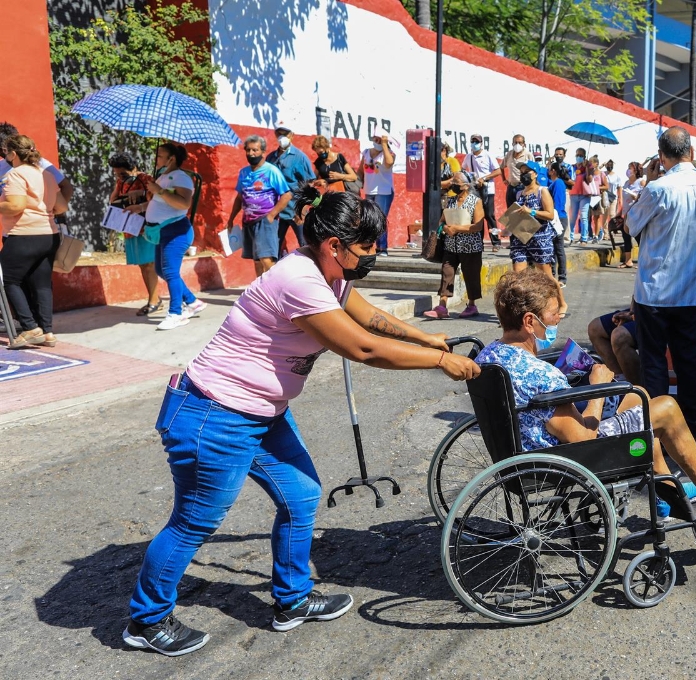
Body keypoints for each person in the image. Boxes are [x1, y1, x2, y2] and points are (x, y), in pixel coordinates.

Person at [122, 191, 479, 658]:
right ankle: (146, 620)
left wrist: (423, 335)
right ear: (334, 244)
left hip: (261, 413)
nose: (372, 254)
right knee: (194, 522)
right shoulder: (299, 280)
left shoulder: (327, 274)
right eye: (366, 246)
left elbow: (370, 317)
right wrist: (437, 361)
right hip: (215, 412)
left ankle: (291, 601)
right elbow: (363, 347)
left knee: (302, 494)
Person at [475, 268, 696, 525]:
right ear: (529, 321)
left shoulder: (490, 355)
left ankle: (663, 490)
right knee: (664, 407)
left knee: (637, 395)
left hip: (523, 446)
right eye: (553, 316)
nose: (557, 323)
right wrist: (598, 385)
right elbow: (584, 439)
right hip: (559, 458)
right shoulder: (542, 375)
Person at [625, 127, 696, 445]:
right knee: (687, 360)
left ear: (661, 156)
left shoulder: (659, 188)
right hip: (690, 290)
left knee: (654, 363)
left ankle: (659, 430)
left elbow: (631, 224)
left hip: (656, 291)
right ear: (690, 151)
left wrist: (648, 182)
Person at [0, 135, 62, 349]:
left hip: (24, 234)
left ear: (14, 154)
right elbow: (62, 206)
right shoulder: (45, 174)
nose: (5, 156)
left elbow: (16, 205)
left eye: (6, 152)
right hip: (49, 235)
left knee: (7, 279)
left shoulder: (15, 174)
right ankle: (47, 332)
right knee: (42, 284)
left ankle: (29, 328)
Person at [143, 143, 207, 331]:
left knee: (170, 271)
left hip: (176, 232)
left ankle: (175, 313)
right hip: (162, 232)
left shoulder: (181, 178)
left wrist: (159, 191)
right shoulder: (163, 176)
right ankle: (192, 302)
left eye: (161, 156)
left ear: (171, 158)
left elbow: (183, 203)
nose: (157, 159)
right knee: (161, 270)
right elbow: (160, 203)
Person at [228, 135, 292, 277]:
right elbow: (240, 197)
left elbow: (287, 195)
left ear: (263, 152)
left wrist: (271, 215)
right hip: (248, 222)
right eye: (248, 150)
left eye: (255, 150)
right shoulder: (244, 172)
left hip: (265, 221)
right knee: (256, 261)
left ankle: (274, 293)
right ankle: (261, 294)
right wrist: (231, 218)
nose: (251, 153)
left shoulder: (272, 171)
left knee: (267, 260)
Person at [425, 172, 484, 320]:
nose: (453, 184)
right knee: (446, 273)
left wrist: (457, 228)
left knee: (471, 275)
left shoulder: (475, 201)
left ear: (465, 186)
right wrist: (445, 228)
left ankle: (472, 305)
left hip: (470, 246)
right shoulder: (450, 201)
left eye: (456, 182)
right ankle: (442, 306)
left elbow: (478, 226)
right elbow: (442, 221)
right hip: (451, 245)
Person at [511, 163, 569, 315]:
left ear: (535, 174)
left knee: (547, 277)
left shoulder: (542, 191)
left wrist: (531, 211)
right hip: (521, 237)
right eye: (521, 171)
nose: (523, 174)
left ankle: (562, 303)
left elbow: (550, 214)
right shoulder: (519, 194)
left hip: (540, 238)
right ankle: (522, 311)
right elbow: (518, 216)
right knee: (518, 276)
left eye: (526, 172)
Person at [108, 152, 158, 316]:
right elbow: (113, 200)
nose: (119, 176)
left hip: (144, 226)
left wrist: (141, 194)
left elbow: (157, 198)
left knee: (149, 264)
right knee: (143, 264)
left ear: (133, 168)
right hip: (130, 226)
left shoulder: (146, 179)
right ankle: (154, 298)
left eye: (122, 173)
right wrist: (119, 187)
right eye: (116, 173)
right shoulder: (121, 182)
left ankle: (154, 300)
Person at [266, 124, 315, 258]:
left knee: (304, 244)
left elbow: (309, 184)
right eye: (279, 133)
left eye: (286, 133)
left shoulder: (299, 157)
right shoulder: (270, 158)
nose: (282, 137)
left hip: (295, 210)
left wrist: (303, 209)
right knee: (273, 245)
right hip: (277, 212)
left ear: (292, 135)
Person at [0, 122, 74, 209]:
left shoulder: (40, 164)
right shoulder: (2, 167)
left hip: (41, 220)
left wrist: (56, 214)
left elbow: (66, 187)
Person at [461, 134, 501, 252]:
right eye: (473, 141)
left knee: (489, 215)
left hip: (488, 189)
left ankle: (495, 242)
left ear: (481, 143)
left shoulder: (488, 155)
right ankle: (479, 242)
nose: (474, 143)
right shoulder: (469, 157)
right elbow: (463, 170)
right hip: (474, 190)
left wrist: (485, 178)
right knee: (476, 216)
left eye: (477, 141)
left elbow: (498, 171)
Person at [359, 133, 396, 255]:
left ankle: (382, 248)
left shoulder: (389, 154)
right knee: (370, 219)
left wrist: (385, 145)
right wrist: (358, 185)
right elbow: (360, 171)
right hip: (369, 190)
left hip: (384, 191)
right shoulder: (366, 152)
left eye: (381, 140)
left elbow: (389, 163)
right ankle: (369, 246)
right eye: (377, 139)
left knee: (380, 218)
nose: (378, 141)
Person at [588, 304, 641, 385]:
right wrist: (632, 312)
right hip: (641, 308)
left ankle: (638, 390)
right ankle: (619, 382)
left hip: (659, 312)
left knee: (619, 336)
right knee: (595, 328)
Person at [613, 161, 643, 269]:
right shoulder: (626, 183)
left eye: (631, 168)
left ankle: (643, 262)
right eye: (628, 168)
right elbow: (623, 199)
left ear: (636, 170)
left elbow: (644, 197)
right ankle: (628, 261)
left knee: (639, 238)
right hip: (626, 214)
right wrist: (620, 212)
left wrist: (637, 197)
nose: (628, 170)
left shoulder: (641, 182)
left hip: (637, 214)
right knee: (626, 237)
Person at [567, 148, 598, 245]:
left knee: (584, 216)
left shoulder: (589, 166)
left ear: (584, 156)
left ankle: (584, 238)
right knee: (573, 217)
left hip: (584, 195)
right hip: (574, 194)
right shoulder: (572, 167)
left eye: (580, 155)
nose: (578, 157)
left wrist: (587, 168)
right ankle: (570, 237)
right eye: (577, 155)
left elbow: (589, 180)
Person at [547, 162, 569, 286]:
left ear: (553, 171)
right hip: (556, 217)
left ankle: (562, 278)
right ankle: (553, 276)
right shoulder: (555, 183)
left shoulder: (558, 183)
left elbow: (557, 203)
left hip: (558, 218)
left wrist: (552, 217)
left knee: (558, 248)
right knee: (554, 249)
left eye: (549, 169)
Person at [501, 134, 534, 206]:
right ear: (512, 144)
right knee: (510, 211)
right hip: (511, 187)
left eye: (520, 142)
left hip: (523, 187)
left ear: (524, 144)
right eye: (515, 142)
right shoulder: (509, 154)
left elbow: (533, 171)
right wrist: (504, 179)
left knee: (522, 211)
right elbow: (501, 167)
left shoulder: (528, 155)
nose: (517, 144)